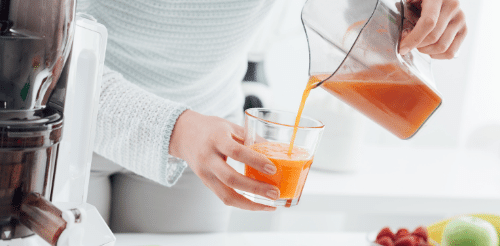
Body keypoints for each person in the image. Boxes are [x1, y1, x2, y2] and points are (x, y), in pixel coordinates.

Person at [80, 0, 467, 233]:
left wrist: (406, 11)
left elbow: (352, 12)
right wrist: (178, 131)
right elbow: (46, 56)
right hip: (80, 116)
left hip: (208, 129)